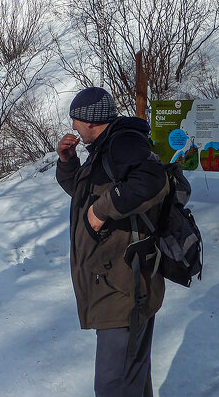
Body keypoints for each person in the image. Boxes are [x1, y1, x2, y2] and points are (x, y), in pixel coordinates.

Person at [56, 87, 169, 397]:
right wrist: (68, 163)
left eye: (75, 120)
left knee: (113, 385)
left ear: (90, 121)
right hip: (116, 283)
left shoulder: (123, 143)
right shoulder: (107, 148)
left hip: (124, 286)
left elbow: (152, 180)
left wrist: (101, 210)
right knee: (130, 378)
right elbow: (86, 195)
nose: (73, 127)